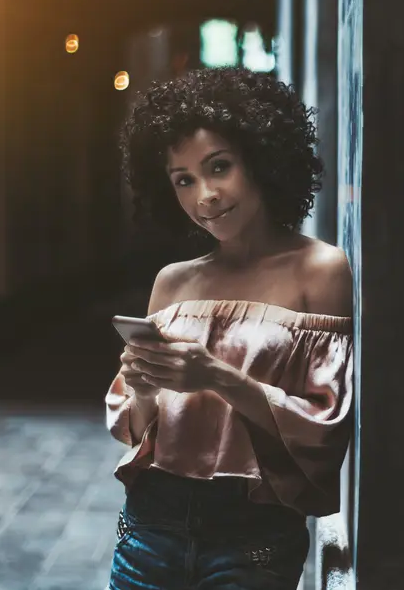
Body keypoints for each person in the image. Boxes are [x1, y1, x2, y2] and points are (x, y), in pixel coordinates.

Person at [105, 67, 353, 590]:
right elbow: (135, 430)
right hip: (150, 526)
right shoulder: (172, 282)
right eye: (184, 180)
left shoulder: (322, 270)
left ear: (262, 160)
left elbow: (326, 429)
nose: (206, 195)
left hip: (254, 534)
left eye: (220, 167)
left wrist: (218, 376)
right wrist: (145, 387)